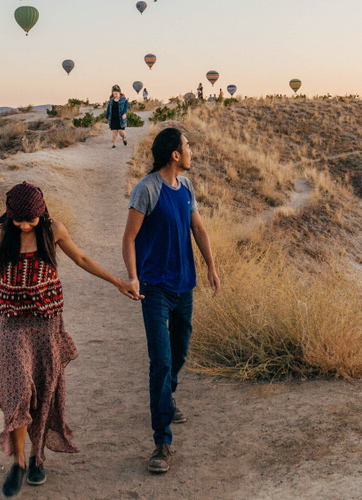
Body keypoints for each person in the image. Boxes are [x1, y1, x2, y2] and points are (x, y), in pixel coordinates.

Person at [0, 182, 140, 498]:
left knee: (44, 389)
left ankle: (37, 456)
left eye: (31, 220)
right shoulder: (1, 232)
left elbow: (81, 259)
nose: (25, 226)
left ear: (41, 213)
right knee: (17, 389)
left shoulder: (53, 230)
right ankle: (18, 463)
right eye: (19, 220)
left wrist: (117, 282)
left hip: (45, 321)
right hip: (12, 320)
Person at [122, 127, 220, 475]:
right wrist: (133, 277)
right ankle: (162, 442)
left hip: (184, 286)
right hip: (154, 289)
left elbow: (199, 229)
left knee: (180, 351)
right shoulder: (147, 189)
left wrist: (211, 267)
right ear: (175, 154)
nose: (191, 151)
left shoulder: (187, 187)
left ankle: (168, 395)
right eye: (188, 146)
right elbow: (129, 237)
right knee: (161, 362)